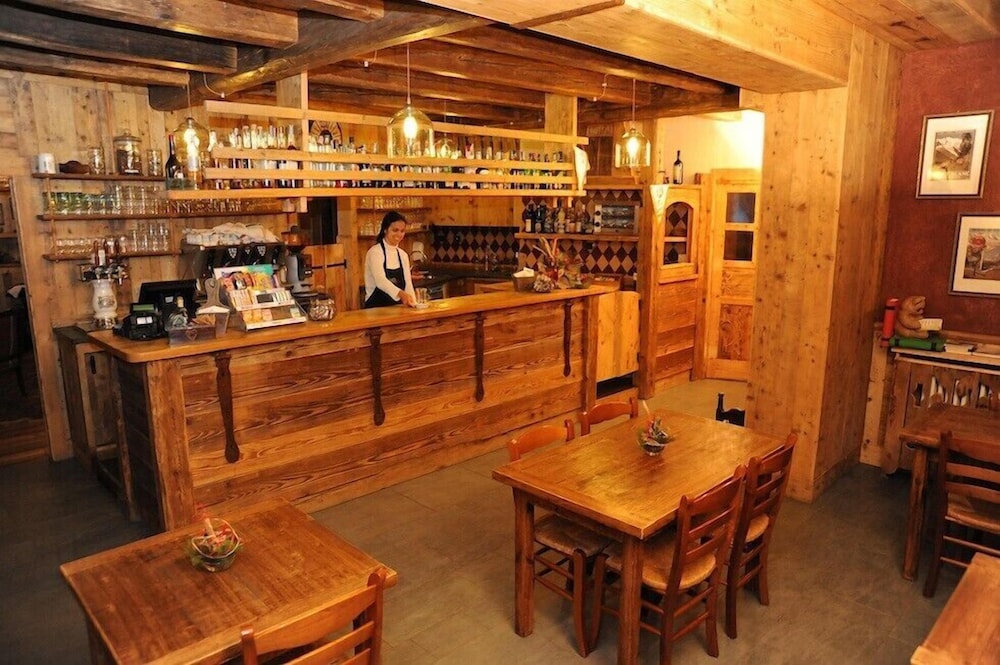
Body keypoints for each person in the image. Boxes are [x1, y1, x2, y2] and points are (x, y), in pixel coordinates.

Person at [363, 211, 416, 308]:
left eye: (402, 231)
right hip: (375, 310)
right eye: (395, 230)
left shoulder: (403, 255)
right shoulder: (375, 252)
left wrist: (414, 304)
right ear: (385, 230)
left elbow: (408, 284)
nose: (399, 234)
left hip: (397, 309)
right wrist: (401, 294)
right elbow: (380, 281)